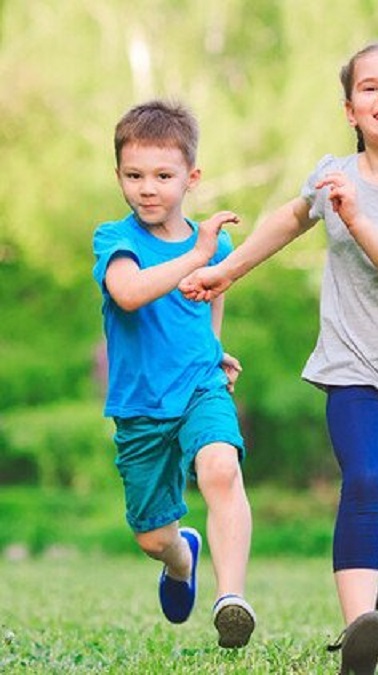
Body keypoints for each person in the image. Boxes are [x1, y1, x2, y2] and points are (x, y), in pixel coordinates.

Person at [180, 40, 378, 675]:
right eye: (370, 87)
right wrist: (226, 271)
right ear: (350, 109)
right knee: (367, 483)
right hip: (353, 368)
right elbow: (287, 221)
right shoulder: (331, 175)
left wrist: (358, 217)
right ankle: (359, 632)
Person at [92, 100, 256, 649]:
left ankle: (231, 598)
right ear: (118, 175)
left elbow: (208, 303)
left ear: (192, 176)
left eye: (163, 175)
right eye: (134, 175)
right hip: (139, 407)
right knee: (150, 536)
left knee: (220, 468)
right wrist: (199, 254)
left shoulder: (214, 246)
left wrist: (214, 350)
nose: (148, 188)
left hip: (199, 388)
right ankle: (182, 558)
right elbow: (130, 294)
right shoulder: (114, 240)